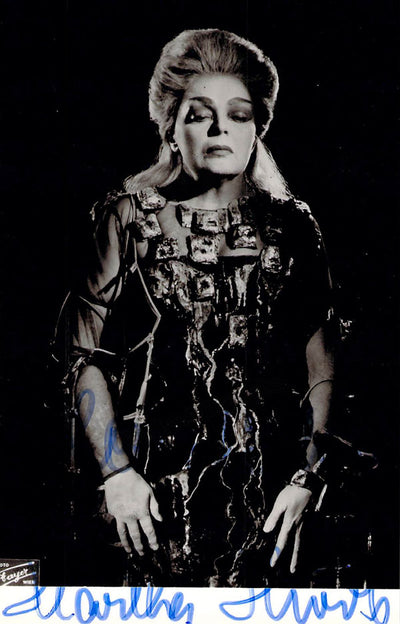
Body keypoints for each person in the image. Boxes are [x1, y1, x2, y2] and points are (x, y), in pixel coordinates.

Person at [56, 29, 338, 587]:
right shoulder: (127, 218)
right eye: (199, 114)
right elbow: (81, 353)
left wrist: (308, 477)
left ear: (258, 127)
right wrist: (116, 472)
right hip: (148, 494)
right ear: (171, 126)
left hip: (272, 495)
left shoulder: (292, 226)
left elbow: (323, 360)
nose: (219, 129)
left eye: (238, 114)